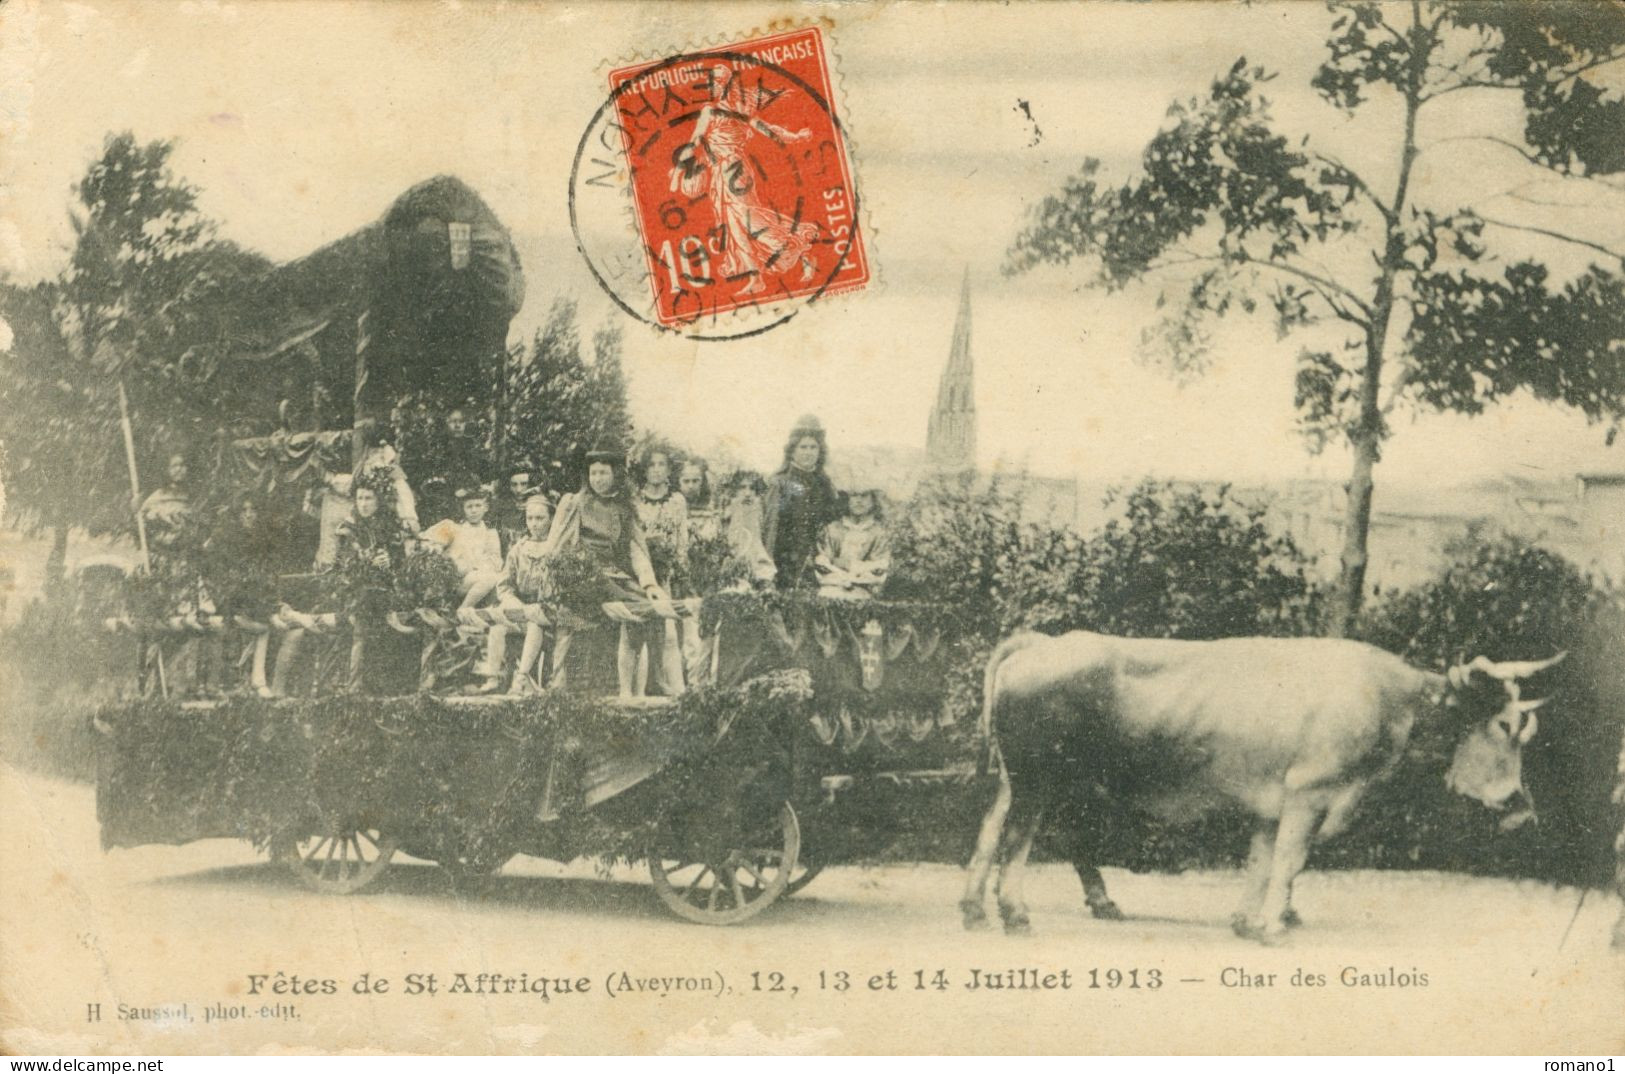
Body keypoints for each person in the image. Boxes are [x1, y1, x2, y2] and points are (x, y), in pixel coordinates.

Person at [669, 64, 817, 296]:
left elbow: (765, 128)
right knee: (734, 224)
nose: (712, 87)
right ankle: (756, 276)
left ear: (726, 85)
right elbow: (694, 141)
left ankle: (798, 247)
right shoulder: (715, 110)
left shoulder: (731, 109)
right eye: (711, 83)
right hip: (722, 172)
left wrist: (794, 137)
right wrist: (679, 169)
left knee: (747, 219)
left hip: (734, 170)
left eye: (716, 83)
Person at [541, 447, 667, 695]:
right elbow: (556, 543)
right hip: (581, 573)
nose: (597, 479)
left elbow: (636, 549)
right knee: (609, 607)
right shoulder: (575, 502)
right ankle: (569, 683)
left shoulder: (624, 509)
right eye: (593, 473)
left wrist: (650, 584)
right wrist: (557, 576)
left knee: (645, 606)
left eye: (603, 473)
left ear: (616, 474)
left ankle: (632, 687)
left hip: (612, 574)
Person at [334, 473, 405, 693]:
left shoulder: (390, 527)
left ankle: (388, 684)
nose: (363, 504)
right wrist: (367, 560)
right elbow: (343, 565)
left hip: (387, 588)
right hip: (355, 589)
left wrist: (389, 561)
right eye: (360, 498)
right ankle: (355, 685)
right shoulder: (349, 528)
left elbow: (401, 563)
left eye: (369, 499)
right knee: (366, 610)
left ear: (379, 501)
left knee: (394, 613)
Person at [204, 494, 281, 695]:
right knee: (251, 626)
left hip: (254, 598)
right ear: (237, 515)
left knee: (265, 625)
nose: (248, 515)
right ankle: (245, 681)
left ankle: (257, 680)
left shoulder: (263, 538)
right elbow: (216, 571)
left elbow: (268, 571)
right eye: (244, 511)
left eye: (252, 510)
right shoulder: (228, 539)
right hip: (231, 600)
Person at [632, 445, 688, 695]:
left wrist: (679, 567)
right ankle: (640, 685)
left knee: (669, 632)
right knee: (640, 630)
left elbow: (681, 538)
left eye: (661, 465)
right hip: (642, 574)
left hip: (668, 573)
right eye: (651, 465)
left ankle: (670, 683)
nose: (656, 470)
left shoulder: (677, 501)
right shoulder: (635, 500)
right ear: (644, 470)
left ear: (669, 469)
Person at [763, 415, 841, 590]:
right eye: (803, 447)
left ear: (820, 451)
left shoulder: (825, 484)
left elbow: (832, 527)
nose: (808, 452)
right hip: (783, 563)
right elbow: (770, 529)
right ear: (792, 450)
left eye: (813, 447)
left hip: (818, 564)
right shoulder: (780, 482)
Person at [489, 494, 555, 696]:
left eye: (540, 518)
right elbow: (505, 585)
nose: (534, 524)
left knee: (535, 622)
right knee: (497, 621)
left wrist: (538, 606)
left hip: (548, 611)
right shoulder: (518, 549)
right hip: (521, 608)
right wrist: (515, 604)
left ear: (551, 519)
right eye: (530, 518)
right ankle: (493, 677)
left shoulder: (556, 547)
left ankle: (521, 678)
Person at [421, 486, 504, 609]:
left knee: (495, 578)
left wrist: (477, 567)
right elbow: (427, 542)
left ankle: (470, 609)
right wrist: (437, 549)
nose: (474, 510)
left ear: (486, 508)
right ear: (463, 509)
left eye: (478, 505)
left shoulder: (490, 533)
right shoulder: (455, 529)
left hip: (478, 578)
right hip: (456, 581)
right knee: (489, 578)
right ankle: (462, 609)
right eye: (469, 507)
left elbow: (496, 560)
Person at [816, 487, 892, 600]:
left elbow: (880, 566)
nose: (859, 501)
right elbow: (823, 562)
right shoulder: (832, 530)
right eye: (854, 496)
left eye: (864, 496)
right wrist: (841, 575)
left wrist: (848, 565)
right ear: (847, 500)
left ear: (873, 501)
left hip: (863, 590)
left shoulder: (879, 533)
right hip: (832, 588)